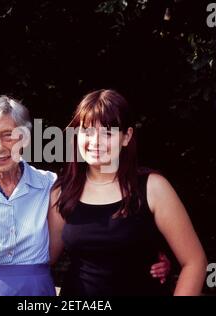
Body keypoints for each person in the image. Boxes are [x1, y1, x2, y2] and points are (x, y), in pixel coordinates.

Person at [0, 95, 171, 296]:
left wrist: (148, 256)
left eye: (9, 135)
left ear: (25, 138)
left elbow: (97, 229)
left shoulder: (50, 185)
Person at [48, 89, 207, 296]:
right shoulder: (62, 192)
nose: (95, 141)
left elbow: (195, 262)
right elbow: (42, 261)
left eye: (107, 132)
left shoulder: (153, 188)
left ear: (126, 137)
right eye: (87, 131)